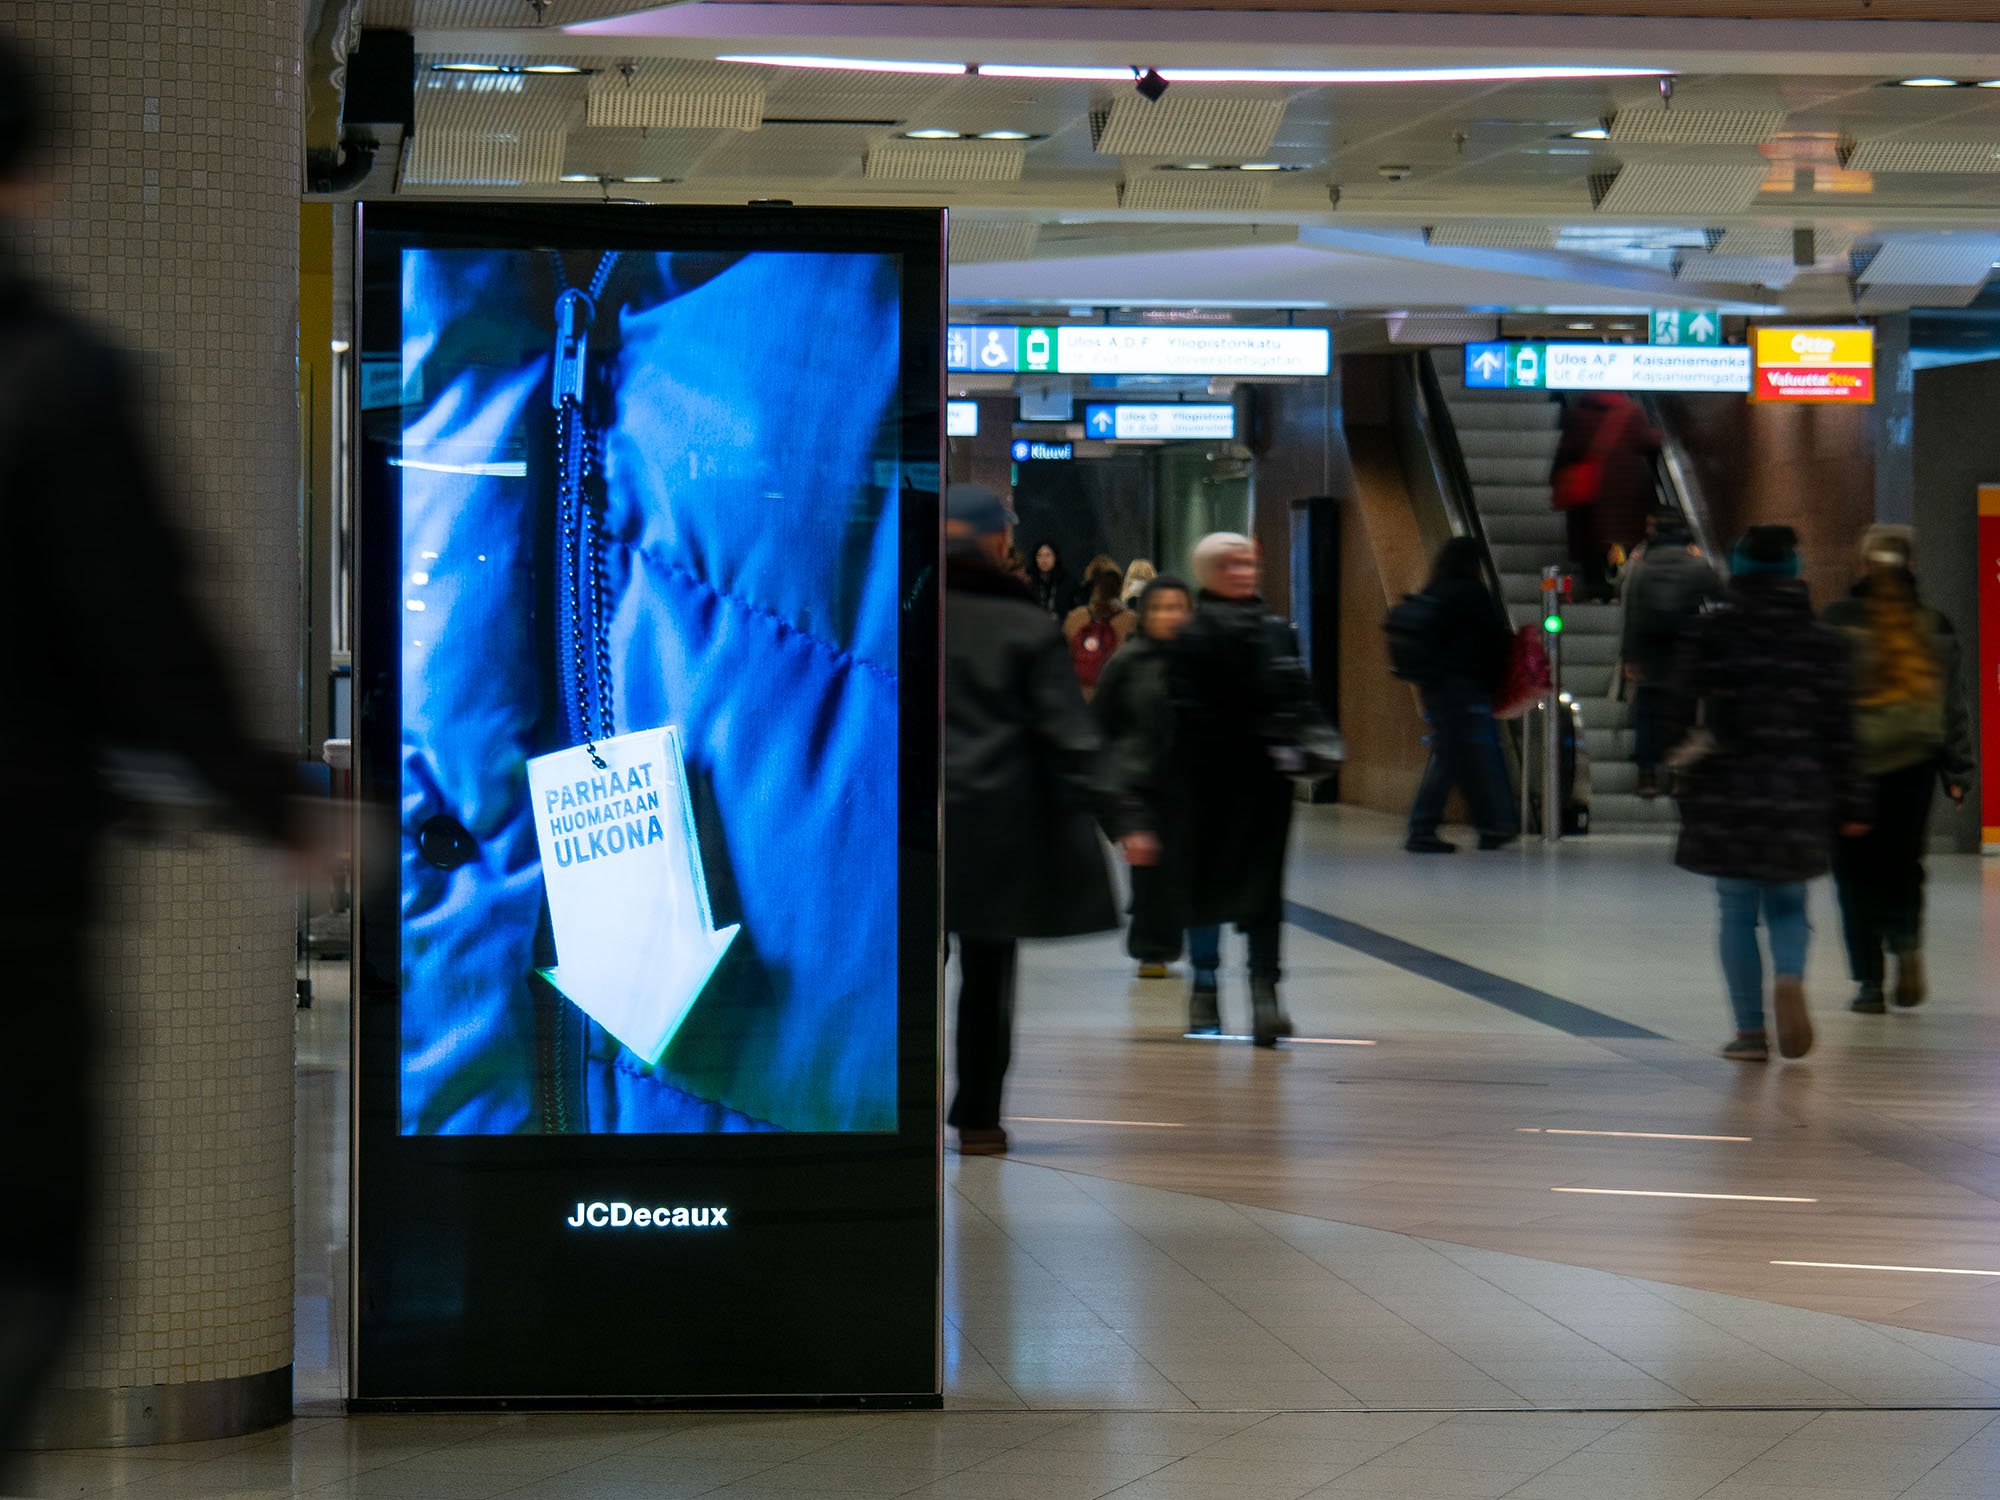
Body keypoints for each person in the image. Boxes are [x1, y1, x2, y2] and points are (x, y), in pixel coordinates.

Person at [0, 35, 312, 1453]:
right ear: (35, 178)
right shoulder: (60, 383)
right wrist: (274, 806)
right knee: (34, 1262)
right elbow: (152, 637)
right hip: (15, 927)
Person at [944, 485, 1117, 1154]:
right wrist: (1121, 814)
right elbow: (1068, 732)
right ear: (996, 542)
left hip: (908, 830)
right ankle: (978, 1119)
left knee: (904, 975)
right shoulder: (1022, 621)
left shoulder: (906, 607)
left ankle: (897, 1113)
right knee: (989, 981)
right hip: (994, 830)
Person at [1664, 526, 1868, 1063]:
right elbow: (1843, 731)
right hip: (1800, 789)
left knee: (1736, 908)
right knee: (1788, 903)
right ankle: (1791, 977)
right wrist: (1853, 803)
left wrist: (1672, 762)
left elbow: (1673, 708)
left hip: (1727, 789)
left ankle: (1750, 1033)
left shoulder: (1712, 634)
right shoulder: (1825, 644)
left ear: (1739, 569)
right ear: (1793, 572)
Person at [1168, 533, 1343, 1044]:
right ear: (1208, 572)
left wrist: (1309, 736)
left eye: (1247, 563)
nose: (1243, 571)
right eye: (1230, 564)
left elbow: (1298, 694)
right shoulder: (1193, 636)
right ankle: (1205, 985)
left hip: (1264, 789)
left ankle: (1265, 994)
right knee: (1207, 889)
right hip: (1209, 786)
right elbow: (1186, 713)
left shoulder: (1274, 630)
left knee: (1262, 892)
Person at [1822, 526, 1974, 1013]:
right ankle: (1905, 939)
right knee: (1903, 864)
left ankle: (1869, 983)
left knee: (1854, 874)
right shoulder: (1936, 625)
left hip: (1853, 767)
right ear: (1911, 566)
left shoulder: (1837, 621)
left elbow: (1823, 705)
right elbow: (1952, 707)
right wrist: (1958, 771)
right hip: (1915, 764)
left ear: (1864, 565)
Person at [1093, 575, 1195, 979]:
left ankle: (1168, 939)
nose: (1168, 616)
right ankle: (1151, 948)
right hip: (1139, 785)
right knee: (1150, 869)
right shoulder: (1126, 662)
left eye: (1177, 607)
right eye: (1159, 608)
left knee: (1178, 870)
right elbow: (1099, 727)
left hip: (1188, 785)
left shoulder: (1201, 662)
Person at [1401, 537, 1520, 854]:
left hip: (1436, 688)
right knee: (1466, 757)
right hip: (1465, 687)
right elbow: (1492, 643)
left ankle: (1489, 825)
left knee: (1460, 756)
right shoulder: (1472, 594)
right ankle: (1425, 826)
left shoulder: (1434, 592)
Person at [1620, 507, 1721, 799]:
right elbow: (1720, 596)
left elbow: (1633, 613)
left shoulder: (1642, 565)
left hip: (1650, 651)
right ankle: (1679, 773)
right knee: (1684, 712)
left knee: (1647, 711)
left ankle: (1647, 774)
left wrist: (1630, 656)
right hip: (1686, 652)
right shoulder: (1695, 564)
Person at [1551, 391, 1661, 603]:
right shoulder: (1632, 413)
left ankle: (1596, 591)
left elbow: (1565, 453)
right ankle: (1622, 590)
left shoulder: (1577, 415)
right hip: (1625, 500)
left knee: (1591, 549)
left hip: (1588, 500)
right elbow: (1648, 442)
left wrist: (1557, 481)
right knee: (1621, 545)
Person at [1062, 567, 1137, 698]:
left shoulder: (1075, 617)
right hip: (1115, 697)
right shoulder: (1130, 620)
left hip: (1079, 696)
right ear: (1119, 589)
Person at [1025, 541, 1067, 616]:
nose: (1043, 560)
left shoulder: (1067, 583)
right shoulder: (1030, 583)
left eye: (1048, 555)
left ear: (1055, 557)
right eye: (1039, 555)